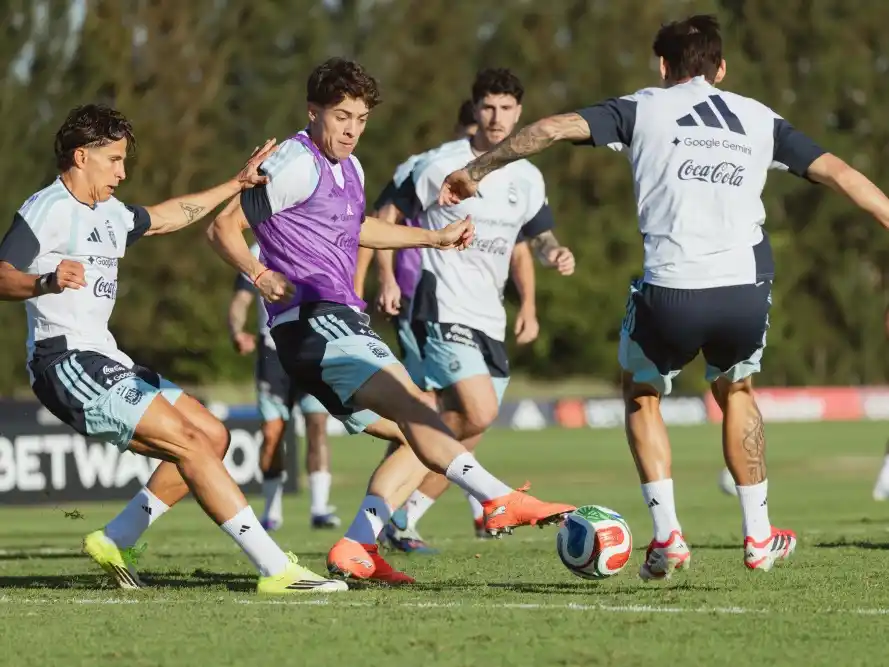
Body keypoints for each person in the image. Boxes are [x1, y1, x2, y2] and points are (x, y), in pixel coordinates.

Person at [438, 14, 889, 576]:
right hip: (743, 291)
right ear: (720, 69)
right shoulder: (759, 117)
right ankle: (758, 536)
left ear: (662, 66)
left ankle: (668, 534)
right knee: (737, 389)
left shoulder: (640, 107)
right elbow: (843, 173)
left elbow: (550, 129)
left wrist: (476, 169)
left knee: (642, 394)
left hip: (671, 289)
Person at [206, 57, 575, 585]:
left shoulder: (349, 167)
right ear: (313, 112)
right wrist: (259, 273)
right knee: (417, 409)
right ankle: (499, 499)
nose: (352, 129)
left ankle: (358, 545)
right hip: (314, 321)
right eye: (341, 116)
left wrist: (433, 237)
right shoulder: (294, 161)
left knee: (415, 428)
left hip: (339, 322)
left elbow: (358, 231)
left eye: (360, 118)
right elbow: (222, 227)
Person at [0, 104, 346, 593]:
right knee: (189, 440)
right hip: (65, 362)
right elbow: (2, 273)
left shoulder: (109, 212)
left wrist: (235, 183)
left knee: (213, 436)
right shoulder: (48, 208)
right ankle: (275, 569)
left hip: (105, 357)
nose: (123, 172)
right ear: (81, 156)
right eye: (114, 160)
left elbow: (165, 217)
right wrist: (44, 281)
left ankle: (118, 539)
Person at [381, 69, 576, 552]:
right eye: (488, 106)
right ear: (474, 109)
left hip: (491, 317)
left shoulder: (528, 176)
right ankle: (396, 500)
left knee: (467, 431)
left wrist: (554, 259)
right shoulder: (440, 165)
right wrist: (385, 276)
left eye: (507, 108)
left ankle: (398, 516)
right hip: (440, 306)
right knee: (477, 410)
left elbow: (535, 238)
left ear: (519, 113)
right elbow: (386, 217)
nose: (497, 117)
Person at [229, 242, 340, 531]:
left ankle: (319, 509)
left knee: (317, 425)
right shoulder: (257, 250)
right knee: (272, 433)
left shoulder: (312, 238)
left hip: (311, 349)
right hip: (272, 353)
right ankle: (271, 512)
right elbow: (241, 300)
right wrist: (237, 331)